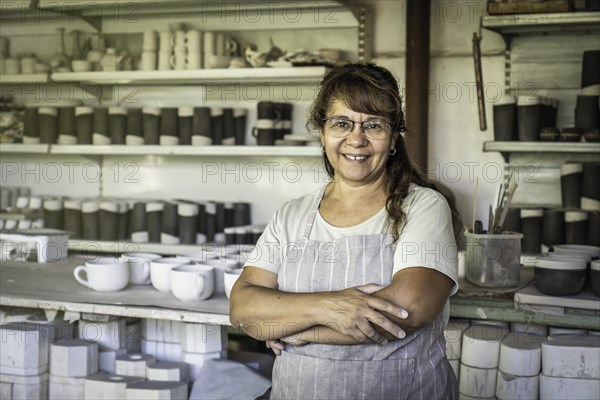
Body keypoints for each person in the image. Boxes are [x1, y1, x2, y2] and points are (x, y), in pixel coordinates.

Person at [230, 63, 462, 399]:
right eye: (342, 123)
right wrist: (329, 308)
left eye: (373, 125)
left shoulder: (424, 206)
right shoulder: (291, 215)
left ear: (393, 137)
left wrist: (298, 328)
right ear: (322, 133)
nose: (356, 139)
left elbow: (410, 309)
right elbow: (243, 308)